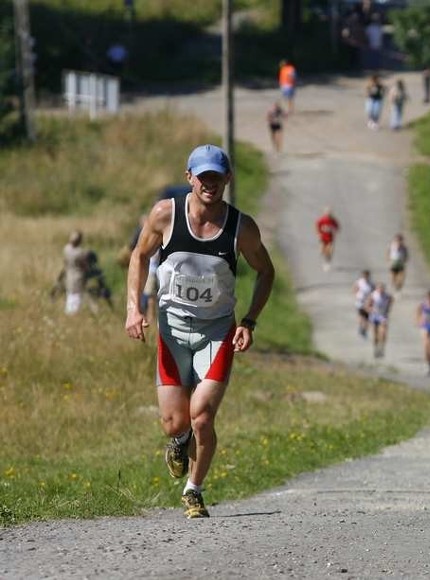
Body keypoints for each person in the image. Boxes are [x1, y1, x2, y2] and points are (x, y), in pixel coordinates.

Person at [124, 144, 275, 519]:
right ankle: (178, 442)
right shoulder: (165, 215)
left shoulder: (242, 227)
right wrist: (133, 308)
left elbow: (266, 271)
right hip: (172, 331)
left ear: (228, 179)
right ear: (189, 177)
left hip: (217, 332)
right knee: (175, 423)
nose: (209, 184)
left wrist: (250, 321)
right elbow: (139, 256)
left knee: (202, 416)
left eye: (216, 177)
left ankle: (194, 490)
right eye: (202, 176)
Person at [62, 230, 90, 315]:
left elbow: (65, 262)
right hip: (78, 278)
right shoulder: (80, 252)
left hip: (69, 276)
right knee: (76, 299)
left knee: (70, 297)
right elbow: (85, 266)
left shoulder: (66, 248)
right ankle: (73, 316)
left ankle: (69, 315)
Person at [366, 282, 393, 358]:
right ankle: (376, 349)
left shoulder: (387, 296)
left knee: (383, 333)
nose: (381, 290)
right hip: (374, 316)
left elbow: (391, 301)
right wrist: (371, 309)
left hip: (383, 316)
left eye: (382, 288)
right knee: (375, 335)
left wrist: (387, 309)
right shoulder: (373, 295)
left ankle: (382, 348)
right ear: (377, 289)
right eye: (379, 288)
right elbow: (367, 306)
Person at [315, 207, 340, 271]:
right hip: (323, 238)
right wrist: (319, 233)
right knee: (324, 251)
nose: (328, 214)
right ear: (325, 213)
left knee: (330, 251)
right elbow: (318, 226)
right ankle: (323, 253)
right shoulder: (322, 220)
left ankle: (327, 263)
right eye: (327, 213)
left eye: (330, 213)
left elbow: (337, 227)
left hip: (330, 238)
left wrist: (334, 230)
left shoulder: (333, 220)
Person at [353, 269, 375, 339]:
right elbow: (355, 289)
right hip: (360, 301)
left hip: (368, 302)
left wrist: (371, 300)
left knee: (367, 317)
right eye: (364, 275)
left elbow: (373, 292)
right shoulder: (359, 282)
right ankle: (360, 327)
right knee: (361, 315)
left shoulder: (371, 283)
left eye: (367, 275)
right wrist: (357, 296)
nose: (365, 276)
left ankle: (364, 330)